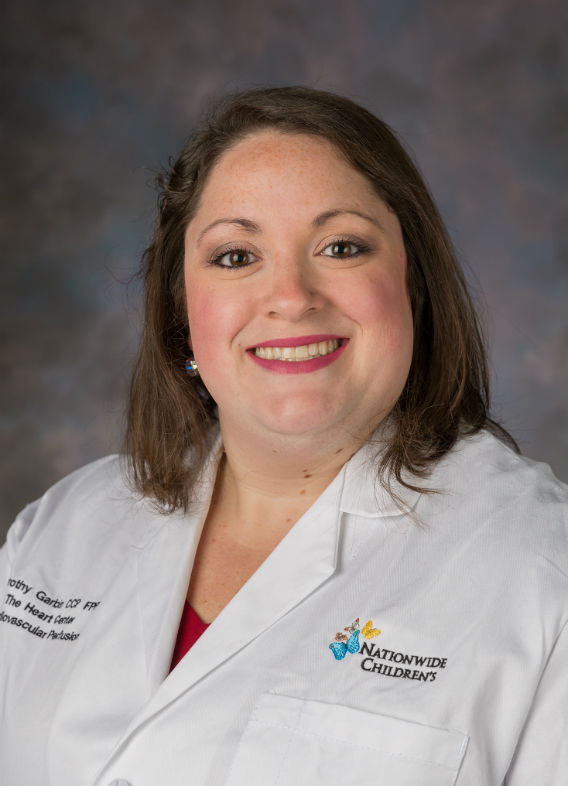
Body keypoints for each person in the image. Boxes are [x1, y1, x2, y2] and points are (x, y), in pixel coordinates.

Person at [0, 87, 566, 786]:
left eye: (341, 247)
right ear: (182, 311)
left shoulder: (543, 570)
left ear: (413, 285)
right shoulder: (60, 529)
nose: (292, 297)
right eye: (236, 256)